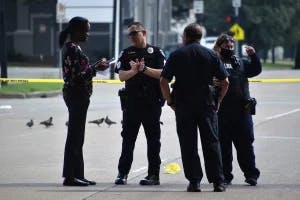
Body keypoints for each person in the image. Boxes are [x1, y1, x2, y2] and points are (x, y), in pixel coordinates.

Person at [160, 23, 229, 192]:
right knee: (212, 142)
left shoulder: (177, 55)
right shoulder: (211, 54)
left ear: (185, 37)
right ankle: (218, 182)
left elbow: (163, 81)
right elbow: (225, 81)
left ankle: (194, 181)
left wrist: (170, 101)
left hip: (183, 104)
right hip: (206, 103)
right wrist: (218, 100)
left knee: (188, 144)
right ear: (200, 37)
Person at [59, 16, 109, 186]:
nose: (88, 34)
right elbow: (77, 78)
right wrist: (96, 68)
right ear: (77, 31)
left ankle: (78, 174)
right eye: (86, 30)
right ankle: (70, 177)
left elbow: (80, 71)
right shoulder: (72, 48)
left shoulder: (73, 48)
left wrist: (94, 66)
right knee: (74, 136)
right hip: (76, 94)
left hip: (78, 95)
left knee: (78, 136)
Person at [114, 22, 165, 185]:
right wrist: (134, 71)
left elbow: (163, 74)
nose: (131, 37)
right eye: (129, 34)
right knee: (128, 139)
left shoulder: (156, 52)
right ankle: (122, 174)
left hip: (151, 103)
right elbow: (121, 76)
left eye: (134, 33)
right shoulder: (127, 53)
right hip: (132, 103)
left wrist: (145, 70)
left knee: (153, 140)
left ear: (144, 32)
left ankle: (153, 175)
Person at [213, 33, 261, 186]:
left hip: (242, 112)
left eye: (231, 46)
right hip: (221, 112)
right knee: (224, 147)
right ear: (219, 47)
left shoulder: (239, 62)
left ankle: (251, 174)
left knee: (245, 145)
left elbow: (255, 70)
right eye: (226, 46)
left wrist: (254, 56)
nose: (229, 48)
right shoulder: (213, 62)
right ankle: (225, 176)